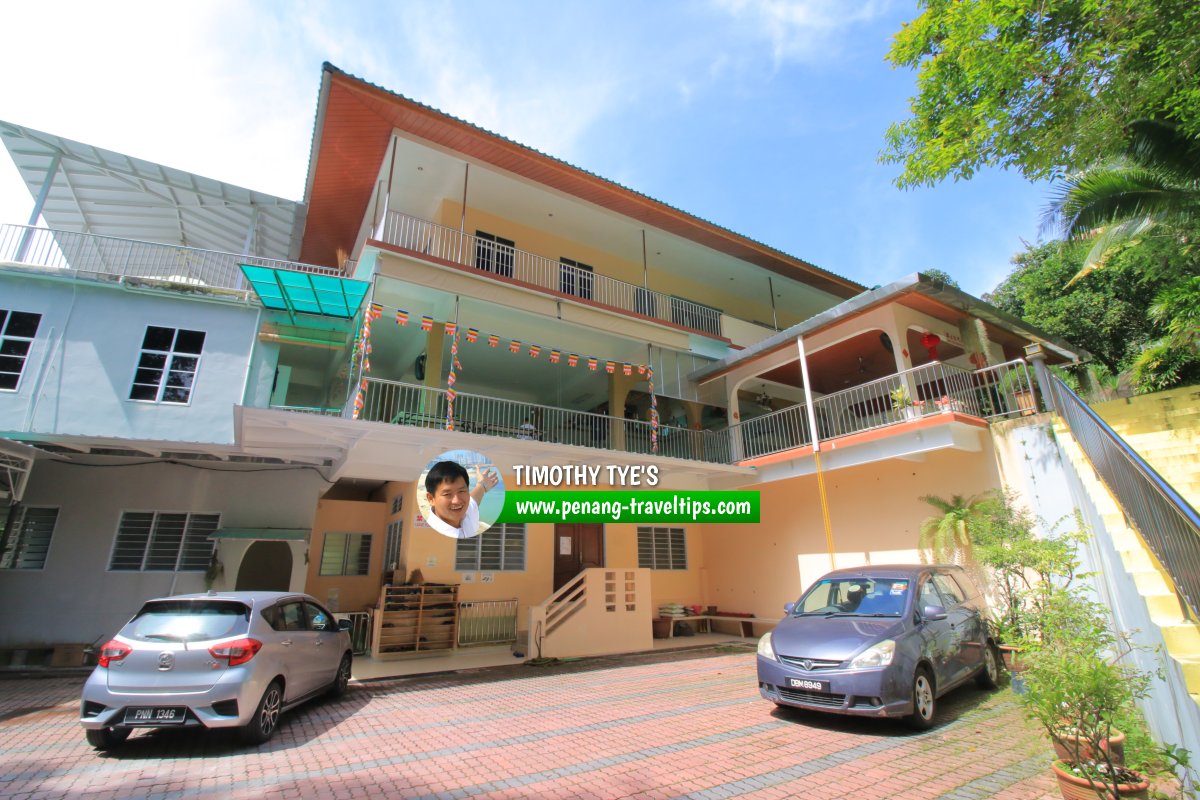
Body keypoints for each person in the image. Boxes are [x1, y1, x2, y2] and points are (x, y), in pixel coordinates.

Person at [424, 460, 498, 539]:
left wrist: (482, 485)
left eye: (461, 491)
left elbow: (474, 499)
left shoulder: (466, 513)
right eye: (447, 494)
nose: (457, 501)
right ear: (431, 499)